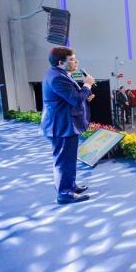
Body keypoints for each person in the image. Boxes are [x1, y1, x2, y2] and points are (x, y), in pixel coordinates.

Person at [41, 46, 93, 204]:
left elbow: (72, 97)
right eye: (71, 59)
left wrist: (85, 95)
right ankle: (64, 194)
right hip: (62, 126)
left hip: (65, 124)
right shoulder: (57, 77)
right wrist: (87, 85)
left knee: (68, 159)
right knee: (64, 161)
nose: (75, 61)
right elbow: (75, 99)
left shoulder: (60, 74)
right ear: (60, 62)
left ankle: (70, 186)